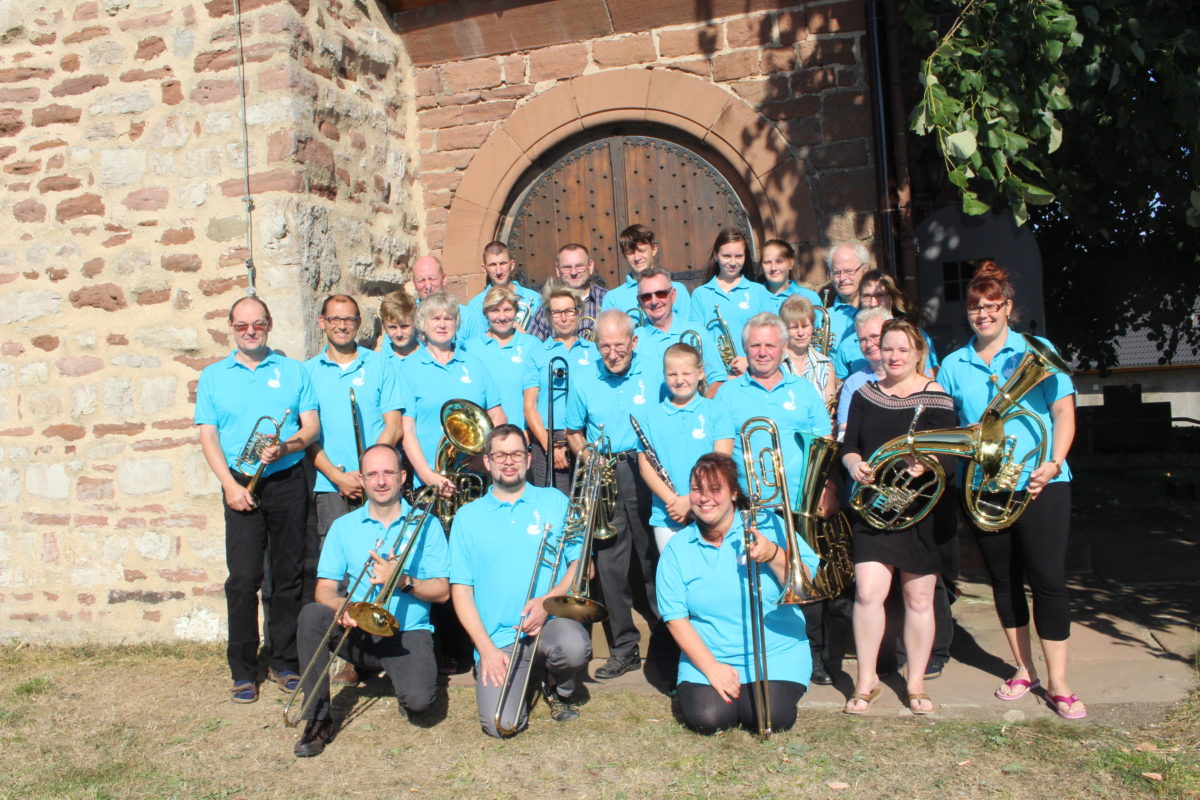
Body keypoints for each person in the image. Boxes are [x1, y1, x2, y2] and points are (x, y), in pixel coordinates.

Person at [937, 261, 1084, 720]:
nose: (983, 314)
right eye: (975, 307)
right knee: (1004, 583)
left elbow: (1063, 412)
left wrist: (1053, 461)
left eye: (991, 306)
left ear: (1008, 308)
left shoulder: (1037, 351)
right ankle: (1024, 669)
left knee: (1048, 582)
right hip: (984, 488)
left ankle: (1059, 683)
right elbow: (950, 427)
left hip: (1041, 485)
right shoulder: (953, 364)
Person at [195, 295, 321, 704]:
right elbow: (208, 436)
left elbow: (311, 427)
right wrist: (230, 486)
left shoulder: (293, 371)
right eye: (242, 325)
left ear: (269, 325)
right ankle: (243, 669)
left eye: (258, 324)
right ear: (231, 327)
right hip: (240, 483)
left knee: (287, 577)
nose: (251, 331)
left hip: (285, 479)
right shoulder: (214, 376)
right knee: (244, 578)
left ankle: (284, 661)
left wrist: (286, 447)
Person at [291, 445, 449, 757]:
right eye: (372, 474)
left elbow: (442, 591)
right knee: (312, 615)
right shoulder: (343, 527)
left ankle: (398, 672)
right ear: (362, 479)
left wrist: (403, 580)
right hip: (359, 630)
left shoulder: (426, 524)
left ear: (403, 477)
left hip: (405, 633)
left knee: (419, 703)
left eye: (388, 473)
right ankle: (317, 718)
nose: (380, 481)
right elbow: (324, 590)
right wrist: (344, 607)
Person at [840, 319, 957, 716]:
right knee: (869, 593)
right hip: (875, 509)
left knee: (919, 598)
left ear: (918, 353)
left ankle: (917, 682)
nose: (893, 356)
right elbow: (850, 445)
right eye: (887, 349)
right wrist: (854, 465)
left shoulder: (937, 398)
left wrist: (927, 463)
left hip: (921, 512)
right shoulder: (864, 393)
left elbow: (953, 456)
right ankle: (867, 679)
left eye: (902, 350)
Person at [657, 453, 820, 735]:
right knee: (708, 720)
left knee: (768, 717)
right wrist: (712, 669)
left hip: (776, 654)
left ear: (733, 493)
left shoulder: (769, 524)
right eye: (697, 490)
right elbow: (675, 618)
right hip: (711, 656)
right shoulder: (678, 547)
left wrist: (773, 554)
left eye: (715, 490)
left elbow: (807, 583)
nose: (704, 498)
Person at [714, 311, 836, 685]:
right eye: (755, 345)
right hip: (751, 506)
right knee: (753, 582)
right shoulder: (729, 393)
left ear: (783, 348)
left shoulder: (802, 391)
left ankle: (815, 655)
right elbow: (721, 452)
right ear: (745, 349)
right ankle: (757, 652)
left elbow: (824, 444)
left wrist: (826, 491)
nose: (763, 352)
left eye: (770, 345)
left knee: (807, 579)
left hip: (800, 504)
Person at [450, 424, 590, 737]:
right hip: (499, 640)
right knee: (502, 727)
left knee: (573, 645)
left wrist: (547, 602)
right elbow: (461, 591)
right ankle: (524, 674)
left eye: (516, 454)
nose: (508, 461)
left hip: (549, 626)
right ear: (487, 462)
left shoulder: (554, 501)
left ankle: (557, 686)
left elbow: (582, 565)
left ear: (528, 459)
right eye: (500, 455)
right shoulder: (467, 517)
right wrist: (485, 649)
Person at [564, 310, 660, 680]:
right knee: (610, 566)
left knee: (652, 558)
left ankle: (668, 643)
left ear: (634, 342)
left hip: (645, 470)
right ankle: (624, 648)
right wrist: (590, 457)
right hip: (603, 474)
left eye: (620, 345)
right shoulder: (586, 378)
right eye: (605, 346)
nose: (613, 353)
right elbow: (574, 432)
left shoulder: (653, 372)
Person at [305, 295, 405, 577]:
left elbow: (394, 426)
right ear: (322, 322)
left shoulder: (380, 364)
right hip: (332, 485)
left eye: (348, 319)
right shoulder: (307, 372)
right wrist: (338, 477)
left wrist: (367, 474)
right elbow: (308, 437)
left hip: (379, 480)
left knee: (383, 556)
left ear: (358, 323)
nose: (342, 326)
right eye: (335, 319)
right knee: (336, 567)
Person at [399, 292, 505, 498]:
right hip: (430, 480)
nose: (442, 324)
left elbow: (497, 415)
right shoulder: (409, 368)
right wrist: (427, 475)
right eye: (435, 318)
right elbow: (407, 429)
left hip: (475, 477)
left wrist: (485, 457)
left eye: (448, 318)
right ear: (423, 324)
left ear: (456, 324)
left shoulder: (474, 364)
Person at [634, 343, 734, 552]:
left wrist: (691, 501)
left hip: (712, 508)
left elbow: (722, 460)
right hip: (669, 514)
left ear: (700, 373)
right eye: (672, 374)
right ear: (664, 375)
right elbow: (646, 467)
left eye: (686, 373)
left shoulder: (717, 410)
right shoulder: (650, 417)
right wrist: (674, 502)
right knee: (676, 576)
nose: (679, 380)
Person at [523, 283, 598, 493]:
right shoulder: (537, 354)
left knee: (587, 503)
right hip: (547, 437)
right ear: (548, 315)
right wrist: (550, 448)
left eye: (568, 311)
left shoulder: (594, 352)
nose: (563, 318)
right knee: (551, 505)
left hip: (584, 436)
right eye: (557, 312)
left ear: (578, 312)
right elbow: (529, 407)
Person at [632, 266, 726, 398]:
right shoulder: (634, 340)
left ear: (673, 295)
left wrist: (705, 408)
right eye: (646, 296)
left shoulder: (697, 332)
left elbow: (717, 379)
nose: (654, 301)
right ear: (639, 302)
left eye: (661, 294)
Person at [832, 269, 940, 380]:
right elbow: (842, 388)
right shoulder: (846, 346)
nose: (873, 303)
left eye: (880, 295)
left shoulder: (916, 336)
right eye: (867, 296)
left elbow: (931, 378)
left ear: (892, 297)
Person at [688, 228, 772, 366]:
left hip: (752, 373)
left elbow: (771, 336)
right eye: (726, 256)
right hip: (715, 377)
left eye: (739, 256)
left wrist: (750, 362)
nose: (733, 263)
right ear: (716, 255)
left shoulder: (758, 292)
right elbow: (697, 341)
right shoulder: (701, 294)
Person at [466, 285, 541, 431]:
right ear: (486, 313)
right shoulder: (470, 348)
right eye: (495, 310)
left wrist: (530, 432)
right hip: (484, 438)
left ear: (516, 312)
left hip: (525, 435)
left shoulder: (532, 345)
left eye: (507, 310)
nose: (502, 317)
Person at [601, 224, 691, 323]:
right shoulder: (613, 298)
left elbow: (687, 329)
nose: (637, 258)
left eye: (641, 251)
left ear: (654, 249)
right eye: (630, 253)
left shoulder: (677, 290)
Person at [527, 243, 608, 340]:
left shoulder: (607, 299)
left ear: (590, 266)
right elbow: (533, 348)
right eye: (567, 267)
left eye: (579, 266)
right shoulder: (548, 306)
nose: (573, 272)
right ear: (558, 269)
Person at [463, 241, 542, 340]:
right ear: (484, 269)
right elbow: (475, 343)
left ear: (512, 265)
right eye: (492, 265)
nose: (499, 271)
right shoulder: (475, 305)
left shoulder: (535, 298)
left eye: (503, 263)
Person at [835, 306, 890, 439]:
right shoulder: (853, 383)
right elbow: (844, 433)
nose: (869, 344)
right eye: (862, 340)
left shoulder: (910, 376)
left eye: (875, 336)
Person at [779, 294, 836, 411]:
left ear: (813, 327)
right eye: (794, 327)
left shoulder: (825, 365)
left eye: (805, 326)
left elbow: (830, 408)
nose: (801, 333)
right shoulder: (773, 364)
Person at [824, 243, 871, 351]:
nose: (842, 278)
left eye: (849, 271)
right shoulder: (823, 318)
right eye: (836, 273)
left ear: (865, 269)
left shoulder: (878, 309)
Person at [760, 239, 821, 312]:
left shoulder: (809, 297)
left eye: (779, 261)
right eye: (767, 262)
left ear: (791, 263)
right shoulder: (753, 296)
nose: (773, 268)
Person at [379, 290, 419, 363]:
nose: (399, 334)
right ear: (384, 325)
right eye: (392, 327)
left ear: (416, 322)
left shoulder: (430, 357)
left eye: (404, 326)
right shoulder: (380, 362)